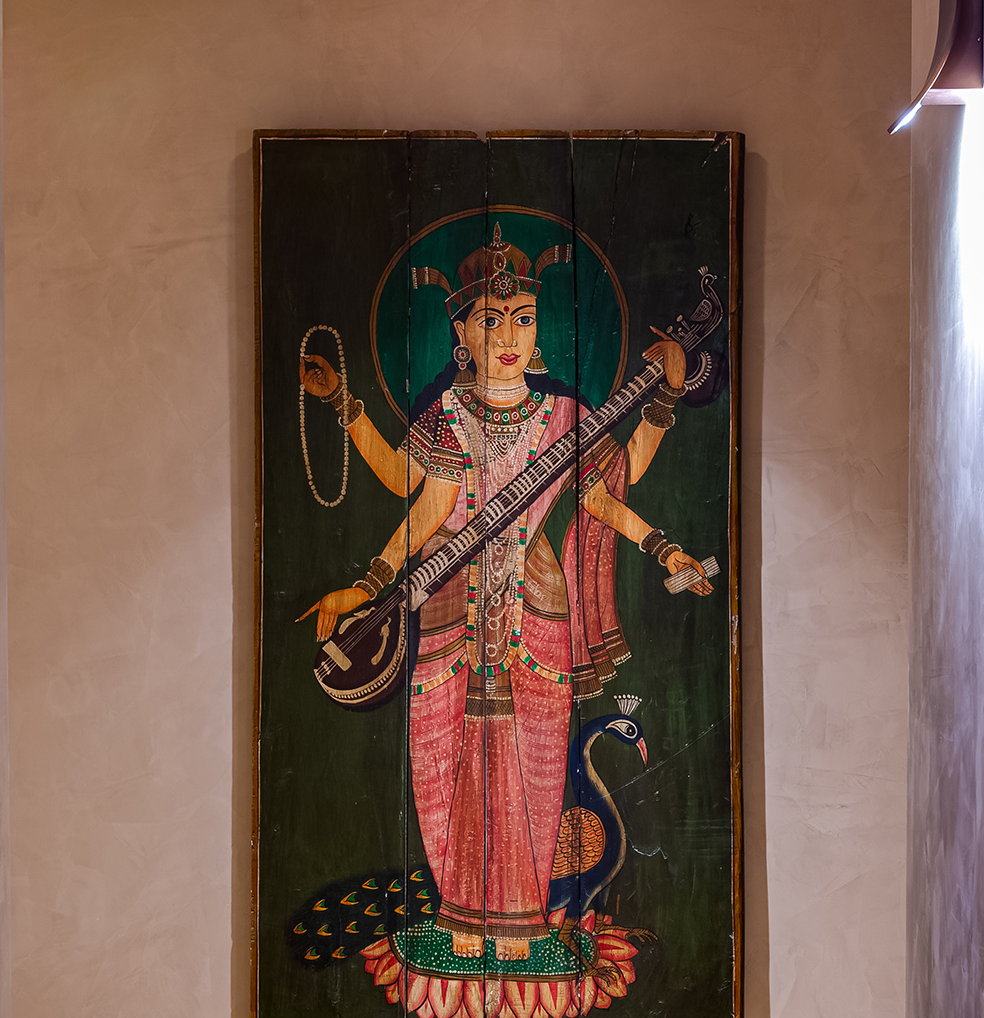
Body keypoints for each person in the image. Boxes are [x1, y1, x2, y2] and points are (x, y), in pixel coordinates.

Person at [299, 224, 711, 963]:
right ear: (460, 331)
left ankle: (522, 923)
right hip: (450, 608)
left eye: (523, 317)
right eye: (490, 320)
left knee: (535, 762)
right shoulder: (446, 416)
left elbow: (609, 488)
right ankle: (459, 918)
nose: (509, 336)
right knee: (444, 757)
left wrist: (663, 410)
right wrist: (366, 581)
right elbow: (421, 502)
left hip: (537, 607)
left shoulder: (565, 418)